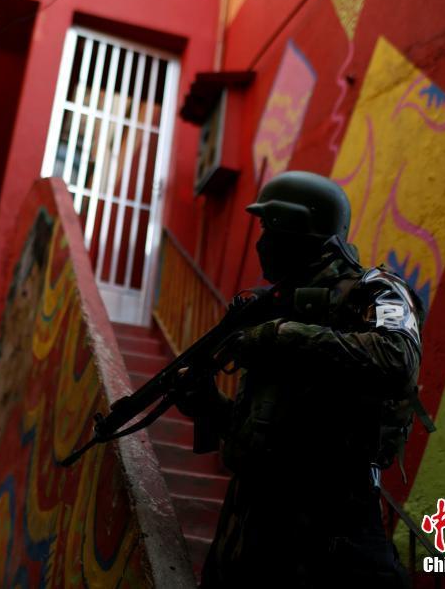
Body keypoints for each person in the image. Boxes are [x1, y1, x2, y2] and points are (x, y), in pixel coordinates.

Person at [180, 171, 422, 587]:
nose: (262, 242)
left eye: (269, 228)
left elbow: (398, 357)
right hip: (248, 530)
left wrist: (279, 336)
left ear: (301, 229)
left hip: (329, 529)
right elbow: (259, 441)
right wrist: (210, 406)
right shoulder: (274, 306)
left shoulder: (373, 291)